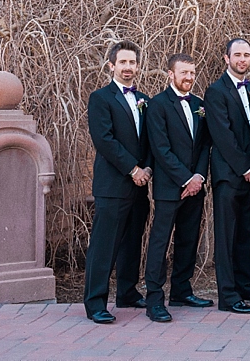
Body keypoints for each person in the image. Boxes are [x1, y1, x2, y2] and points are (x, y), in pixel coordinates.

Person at [83, 41, 151, 324]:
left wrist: (146, 167)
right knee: (105, 243)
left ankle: (127, 291)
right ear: (111, 65)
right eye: (122, 63)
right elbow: (105, 140)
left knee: (132, 241)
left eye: (132, 63)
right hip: (113, 184)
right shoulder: (100, 98)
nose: (128, 68)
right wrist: (132, 169)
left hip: (140, 184)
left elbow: (148, 138)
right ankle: (95, 302)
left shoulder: (143, 99)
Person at [143, 53, 214, 323]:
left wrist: (198, 177)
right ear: (170, 75)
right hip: (170, 187)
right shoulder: (157, 105)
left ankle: (182, 291)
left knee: (188, 239)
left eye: (192, 73)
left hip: (195, 186)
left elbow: (205, 145)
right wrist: (186, 179)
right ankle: (154, 299)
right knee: (160, 242)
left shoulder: (199, 104)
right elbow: (161, 149)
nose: (189, 77)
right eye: (183, 72)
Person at [204, 38, 250, 314]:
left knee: (246, 231)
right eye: (238, 55)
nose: (243, 59)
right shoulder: (215, 91)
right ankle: (228, 296)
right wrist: (245, 166)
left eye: (247, 55)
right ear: (226, 58)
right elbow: (222, 135)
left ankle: (245, 286)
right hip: (228, 175)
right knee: (227, 234)